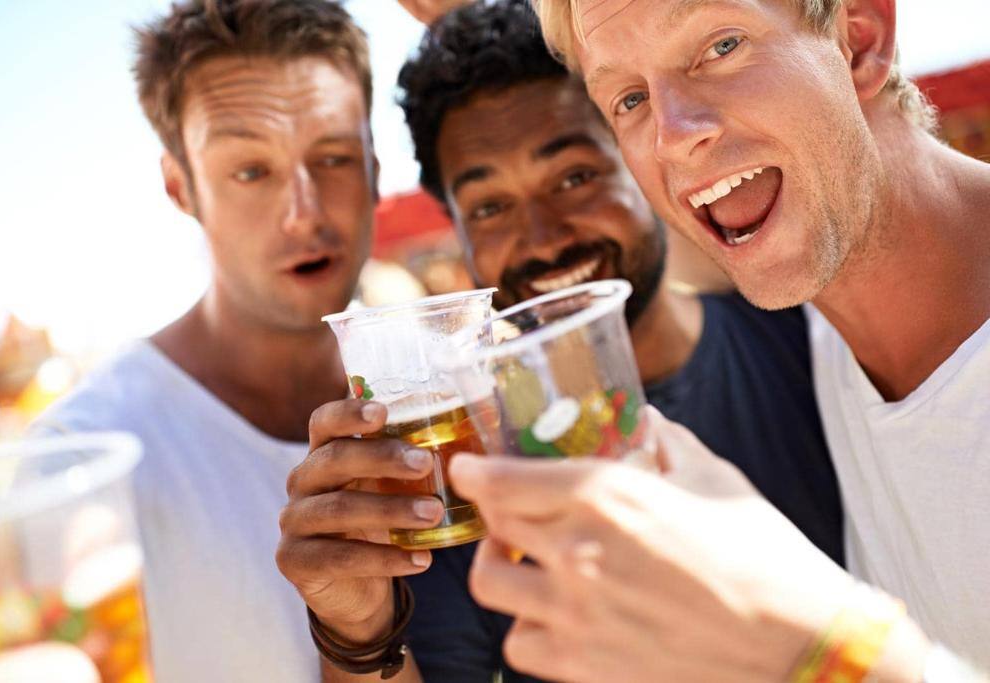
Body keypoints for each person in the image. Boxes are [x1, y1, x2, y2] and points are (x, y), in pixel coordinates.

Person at [275, 1, 843, 680]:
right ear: (457, 232)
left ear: (642, 155)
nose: (543, 236)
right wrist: (356, 627)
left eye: (574, 176)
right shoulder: (456, 478)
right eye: (490, 207)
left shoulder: (814, 344)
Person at [442, 0, 990, 679]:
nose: (673, 135)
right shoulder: (813, 307)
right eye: (630, 98)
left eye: (722, 46)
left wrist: (817, 648)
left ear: (858, 38)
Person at [34, 1, 377, 680]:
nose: (303, 211)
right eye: (251, 171)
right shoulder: (81, 464)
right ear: (180, 187)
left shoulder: (453, 383)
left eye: (334, 156)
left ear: (373, 160)